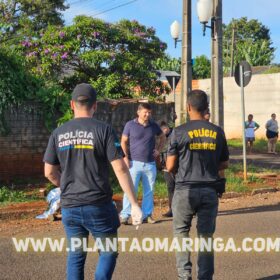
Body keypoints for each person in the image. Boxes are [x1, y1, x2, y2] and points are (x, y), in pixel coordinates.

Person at [43, 83, 142, 280]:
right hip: (98, 205)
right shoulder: (104, 130)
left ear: (72, 104)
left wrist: (68, 186)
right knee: (107, 251)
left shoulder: (58, 133)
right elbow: (120, 168)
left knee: (76, 255)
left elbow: (49, 172)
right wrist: (134, 204)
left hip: (70, 206)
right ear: (95, 106)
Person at [166, 89, 229, 280]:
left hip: (185, 190)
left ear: (188, 107)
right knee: (206, 237)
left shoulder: (178, 132)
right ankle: (205, 277)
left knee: (181, 233)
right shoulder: (217, 132)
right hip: (210, 190)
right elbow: (224, 163)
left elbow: (169, 166)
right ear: (206, 108)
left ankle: (184, 276)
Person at [120, 103, 165, 224]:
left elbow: (163, 137)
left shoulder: (153, 126)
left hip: (150, 164)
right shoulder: (130, 125)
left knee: (149, 191)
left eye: (149, 112)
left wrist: (158, 150)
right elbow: (123, 141)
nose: (147, 114)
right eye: (145, 112)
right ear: (138, 112)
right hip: (134, 163)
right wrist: (125, 157)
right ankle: (125, 215)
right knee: (130, 189)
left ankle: (147, 215)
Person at [160, 121, 175, 218]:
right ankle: (172, 210)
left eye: (161, 131)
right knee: (170, 188)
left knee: (180, 188)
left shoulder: (176, 135)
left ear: (166, 129)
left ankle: (184, 209)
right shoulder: (161, 138)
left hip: (176, 167)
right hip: (165, 167)